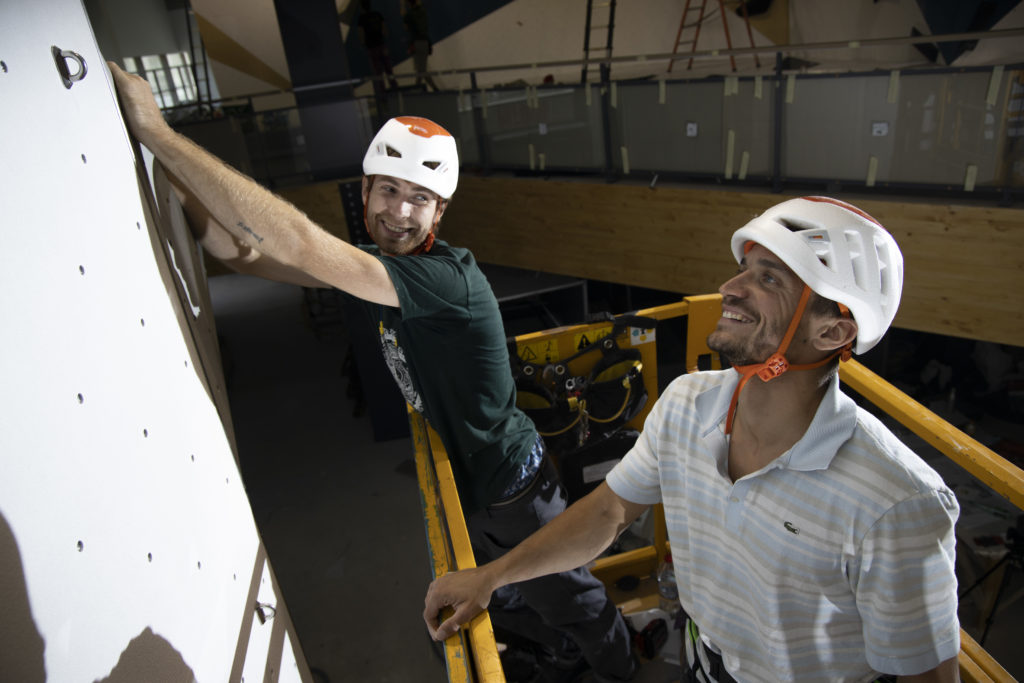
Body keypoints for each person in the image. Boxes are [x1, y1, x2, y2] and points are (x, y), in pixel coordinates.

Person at [107, 63, 637, 682]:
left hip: (510, 486)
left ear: (439, 213)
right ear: (364, 193)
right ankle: (567, 651)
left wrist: (158, 133)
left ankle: (621, 670)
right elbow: (246, 255)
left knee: (568, 597)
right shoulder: (382, 269)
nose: (400, 212)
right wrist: (172, 179)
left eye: (420, 199)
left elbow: (301, 244)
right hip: (477, 482)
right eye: (388, 190)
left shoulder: (442, 279)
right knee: (526, 595)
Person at [424, 197, 962, 682]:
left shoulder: (897, 503)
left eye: (770, 280)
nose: (730, 287)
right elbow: (609, 511)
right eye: (743, 269)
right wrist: (492, 577)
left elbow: (927, 677)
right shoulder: (687, 403)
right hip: (703, 661)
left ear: (832, 332)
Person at [355, 0, 396, 102]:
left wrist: (363, 44)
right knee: (388, 69)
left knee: (378, 73)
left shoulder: (361, 19)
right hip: (381, 44)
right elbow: (384, 29)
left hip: (372, 48)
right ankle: (395, 90)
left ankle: (383, 97)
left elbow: (361, 34)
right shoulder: (377, 15)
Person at [403, 0, 438, 91]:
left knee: (421, 71)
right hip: (426, 42)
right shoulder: (423, 11)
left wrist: (401, 6)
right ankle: (420, 88)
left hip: (416, 42)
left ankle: (430, 88)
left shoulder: (409, 15)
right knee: (421, 70)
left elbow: (406, 26)